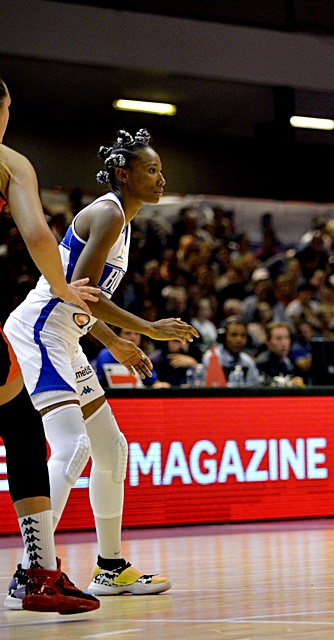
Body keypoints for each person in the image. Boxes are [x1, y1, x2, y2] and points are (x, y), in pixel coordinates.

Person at [4, 128, 198, 600]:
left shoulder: (122, 220)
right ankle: (32, 570)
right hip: (40, 334)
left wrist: (116, 342)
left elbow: (83, 300)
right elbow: (79, 292)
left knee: (112, 449)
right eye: (151, 170)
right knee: (72, 450)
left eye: (160, 169)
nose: (161, 177)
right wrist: (147, 329)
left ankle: (109, 567)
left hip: (67, 337)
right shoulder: (109, 214)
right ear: (123, 174)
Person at [0, 77, 102, 613]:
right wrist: (62, 288)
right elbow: (39, 237)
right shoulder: (10, 162)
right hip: (35, 328)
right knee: (21, 425)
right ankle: (39, 571)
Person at [203, 315, 261, 386]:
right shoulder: (212, 358)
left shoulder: (247, 361)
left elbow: (256, 386)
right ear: (224, 337)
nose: (239, 340)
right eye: (234, 335)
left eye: (243, 335)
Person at [255, 321, 304, 386]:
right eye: (278, 338)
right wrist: (289, 384)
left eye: (287, 337)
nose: (284, 343)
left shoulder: (288, 362)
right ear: (268, 341)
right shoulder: (262, 364)